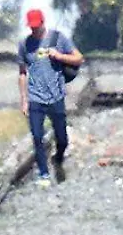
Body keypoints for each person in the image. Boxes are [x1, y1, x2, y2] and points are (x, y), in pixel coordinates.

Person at [18, 9, 83, 187]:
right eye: (31, 27)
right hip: (35, 98)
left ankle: (58, 158)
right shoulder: (24, 45)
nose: (33, 30)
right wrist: (24, 99)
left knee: (62, 139)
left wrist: (60, 56)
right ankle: (44, 174)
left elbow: (79, 58)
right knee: (37, 136)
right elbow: (22, 73)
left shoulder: (58, 39)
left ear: (42, 23)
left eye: (36, 26)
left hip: (56, 96)